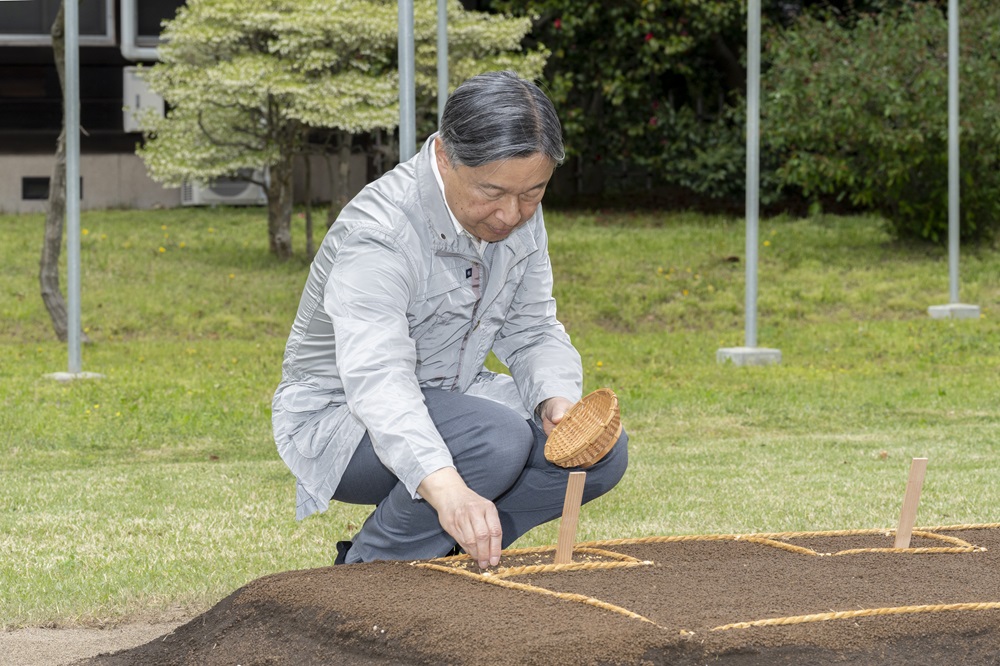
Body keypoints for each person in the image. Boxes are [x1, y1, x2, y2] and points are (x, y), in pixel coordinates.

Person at [271, 70, 628, 568]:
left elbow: (532, 329)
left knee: (599, 452)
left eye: (533, 193)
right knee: (496, 440)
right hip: (342, 419)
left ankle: (451, 551)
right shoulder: (378, 235)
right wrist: (448, 489)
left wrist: (556, 399)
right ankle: (367, 572)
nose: (510, 215)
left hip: (454, 398)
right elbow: (378, 381)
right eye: (493, 192)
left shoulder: (515, 205)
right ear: (444, 156)